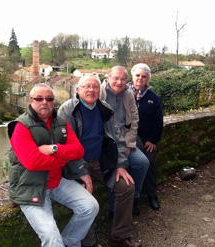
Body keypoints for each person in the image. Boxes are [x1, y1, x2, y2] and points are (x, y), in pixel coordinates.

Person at [7, 83, 99, 247]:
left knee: (90, 206)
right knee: (51, 237)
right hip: (30, 186)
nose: (44, 102)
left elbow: (78, 150)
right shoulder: (20, 127)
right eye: (39, 98)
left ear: (53, 102)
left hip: (56, 181)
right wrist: (63, 158)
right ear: (31, 101)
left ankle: (70, 241)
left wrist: (54, 148)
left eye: (49, 99)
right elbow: (33, 162)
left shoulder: (61, 123)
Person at [58, 75, 142, 247]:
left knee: (126, 186)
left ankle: (120, 236)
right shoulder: (67, 111)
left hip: (101, 162)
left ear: (100, 90)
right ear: (77, 90)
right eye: (86, 86)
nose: (91, 90)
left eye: (95, 87)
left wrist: (120, 165)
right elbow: (65, 147)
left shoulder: (105, 109)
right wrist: (82, 172)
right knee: (86, 198)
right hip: (75, 164)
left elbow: (117, 139)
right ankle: (88, 242)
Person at [100, 65, 150, 216]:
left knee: (142, 162)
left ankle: (133, 199)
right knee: (115, 168)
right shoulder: (99, 93)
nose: (119, 82)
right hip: (106, 142)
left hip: (124, 140)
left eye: (123, 79)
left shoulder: (128, 95)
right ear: (108, 78)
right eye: (116, 78)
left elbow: (134, 120)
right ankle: (113, 208)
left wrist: (129, 143)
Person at [129, 63, 164, 210]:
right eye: (137, 75)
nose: (140, 79)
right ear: (132, 76)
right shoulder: (124, 93)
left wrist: (153, 140)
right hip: (128, 139)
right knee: (129, 167)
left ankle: (151, 195)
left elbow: (158, 121)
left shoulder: (153, 97)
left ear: (148, 78)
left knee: (149, 165)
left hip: (145, 140)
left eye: (144, 76)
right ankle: (133, 199)